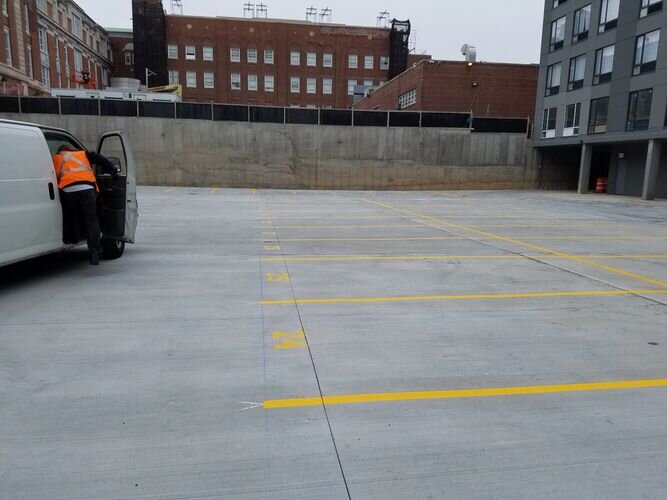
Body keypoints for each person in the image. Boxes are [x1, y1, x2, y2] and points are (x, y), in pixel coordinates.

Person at [52, 144, 114, 265]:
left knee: (70, 215)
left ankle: (73, 238)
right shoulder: (83, 153)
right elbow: (100, 159)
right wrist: (110, 169)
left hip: (68, 189)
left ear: (61, 151)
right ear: (71, 149)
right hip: (87, 188)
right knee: (92, 220)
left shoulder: (56, 158)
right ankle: (95, 252)